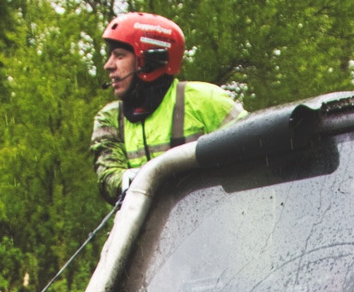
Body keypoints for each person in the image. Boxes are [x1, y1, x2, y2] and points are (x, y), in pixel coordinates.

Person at [89, 12, 241, 199]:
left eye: (119, 56)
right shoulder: (110, 118)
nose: (108, 65)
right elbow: (108, 179)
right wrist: (135, 179)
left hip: (212, 213)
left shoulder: (206, 101)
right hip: (145, 218)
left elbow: (254, 152)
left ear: (149, 62)